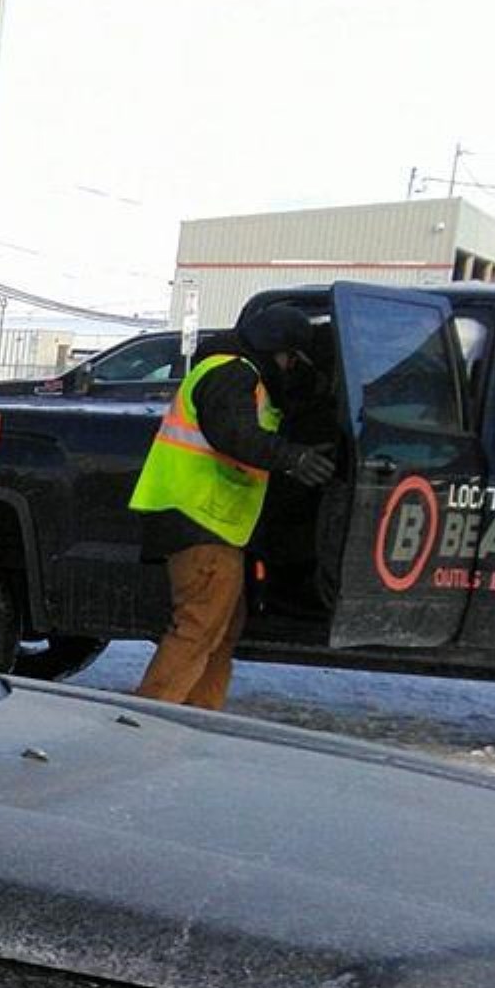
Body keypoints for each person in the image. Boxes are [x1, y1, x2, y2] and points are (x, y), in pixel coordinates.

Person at [125, 301, 335, 709]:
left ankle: (200, 715)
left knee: (221, 626)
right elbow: (234, 434)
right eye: (291, 358)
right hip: (199, 520)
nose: (290, 368)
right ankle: (151, 714)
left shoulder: (237, 374)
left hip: (209, 522)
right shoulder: (232, 373)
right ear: (277, 349)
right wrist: (294, 458)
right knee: (199, 626)